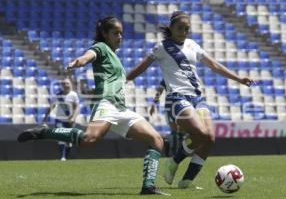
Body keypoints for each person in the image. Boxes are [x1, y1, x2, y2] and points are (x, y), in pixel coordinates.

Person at [18, 16, 168, 195]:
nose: (120, 36)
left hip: (121, 109)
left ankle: (148, 186)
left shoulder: (115, 56)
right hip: (106, 103)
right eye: (115, 33)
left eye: (121, 33)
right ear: (104, 34)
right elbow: (89, 55)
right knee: (88, 140)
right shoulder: (101, 47)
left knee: (156, 140)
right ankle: (42, 132)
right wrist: (79, 62)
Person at [126, 11, 255, 189]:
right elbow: (140, 68)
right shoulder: (161, 48)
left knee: (209, 138)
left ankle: (186, 182)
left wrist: (238, 78)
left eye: (187, 28)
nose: (184, 32)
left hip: (198, 98)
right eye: (180, 28)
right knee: (200, 134)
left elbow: (214, 65)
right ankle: (174, 161)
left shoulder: (192, 45)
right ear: (171, 28)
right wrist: (122, 79)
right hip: (176, 98)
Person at [42, 78, 80, 161]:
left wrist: (73, 117)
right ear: (62, 85)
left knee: (69, 141)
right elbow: (51, 107)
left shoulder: (73, 95)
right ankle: (62, 157)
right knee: (61, 137)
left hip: (70, 120)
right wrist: (45, 120)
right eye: (64, 84)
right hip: (60, 119)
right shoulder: (58, 95)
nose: (66, 85)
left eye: (67, 83)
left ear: (70, 84)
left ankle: (66, 156)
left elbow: (77, 107)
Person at [149, 79, 184, 157]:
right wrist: (153, 105)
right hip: (170, 106)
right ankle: (174, 154)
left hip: (182, 105)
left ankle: (176, 150)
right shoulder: (166, 77)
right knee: (174, 130)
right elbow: (159, 91)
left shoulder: (183, 77)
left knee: (181, 131)